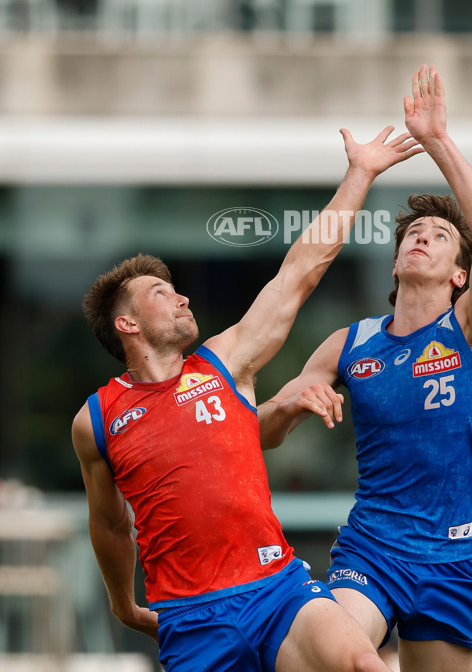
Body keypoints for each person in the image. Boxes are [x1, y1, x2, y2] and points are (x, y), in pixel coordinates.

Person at [71, 119, 423, 672]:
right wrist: (124, 605)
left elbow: (298, 273)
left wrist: (360, 174)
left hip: (276, 591)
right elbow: (110, 523)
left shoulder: (224, 362)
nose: (182, 297)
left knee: (365, 664)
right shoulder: (96, 420)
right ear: (127, 324)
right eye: (162, 293)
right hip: (192, 617)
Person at [259, 64, 472, 672]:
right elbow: (260, 434)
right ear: (396, 262)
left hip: (454, 560)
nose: (421, 238)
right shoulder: (351, 345)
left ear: (461, 275)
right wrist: (289, 404)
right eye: (413, 233)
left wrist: (436, 141)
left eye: (440, 236)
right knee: (334, 659)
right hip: (371, 549)